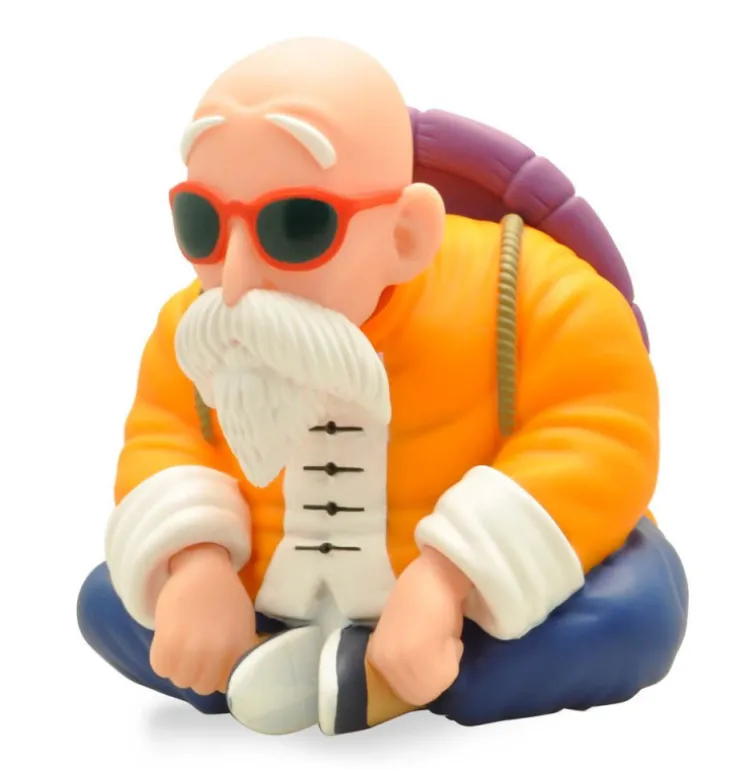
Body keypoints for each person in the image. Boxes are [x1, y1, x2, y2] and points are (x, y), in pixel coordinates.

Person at [77, 36, 688, 737]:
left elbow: (600, 432)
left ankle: (383, 680)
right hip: (264, 591)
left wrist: (449, 578)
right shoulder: (201, 324)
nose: (237, 279)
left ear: (405, 234)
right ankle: (268, 662)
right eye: (203, 223)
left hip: (470, 607)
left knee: (638, 614)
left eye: (296, 226)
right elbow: (164, 436)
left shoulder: (529, 295)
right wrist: (194, 565)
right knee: (108, 601)